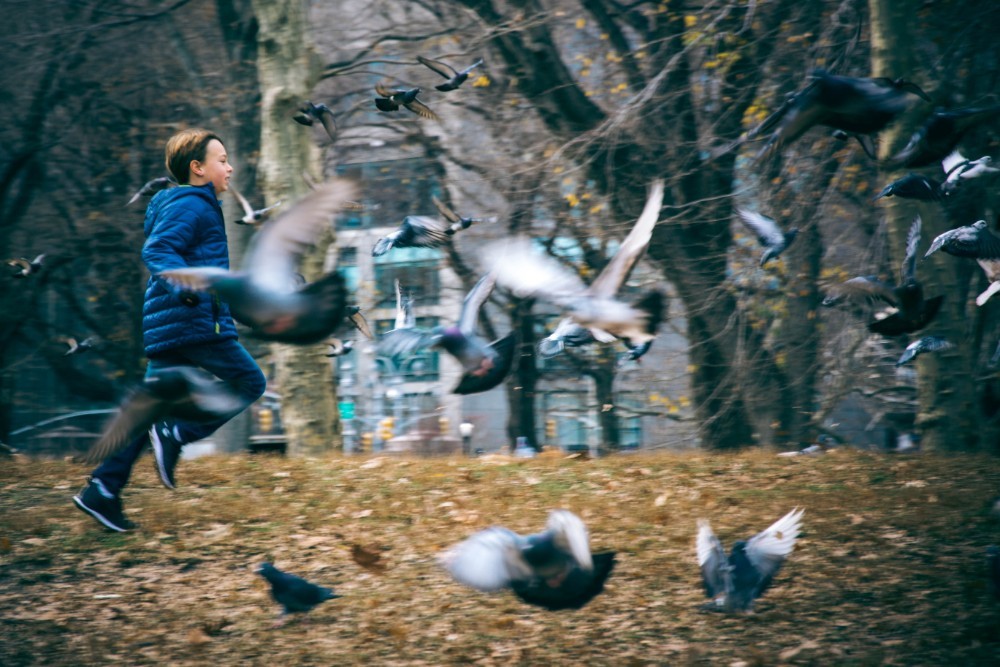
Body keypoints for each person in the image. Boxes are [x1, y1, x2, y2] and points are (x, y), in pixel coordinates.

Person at [74, 128, 266, 532]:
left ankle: (103, 491)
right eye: (222, 160)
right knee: (250, 382)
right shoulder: (192, 204)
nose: (230, 168)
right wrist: (189, 289)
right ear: (198, 168)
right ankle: (177, 430)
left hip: (173, 324)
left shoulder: (192, 204)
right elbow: (157, 251)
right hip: (193, 323)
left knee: (149, 407)